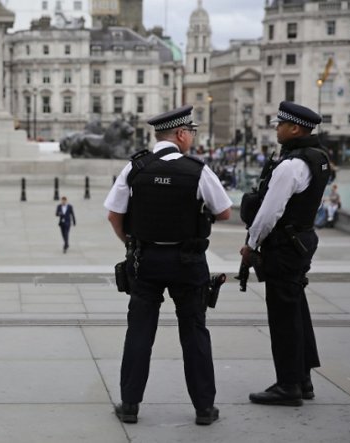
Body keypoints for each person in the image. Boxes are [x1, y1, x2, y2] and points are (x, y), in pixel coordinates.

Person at [104, 105, 232, 426]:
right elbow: (225, 212)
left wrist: (131, 245)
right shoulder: (197, 170)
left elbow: (114, 215)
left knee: (139, 332)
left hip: (145, 260)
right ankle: (204, 408)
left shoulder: (135, 168)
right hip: (188, 262)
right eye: (191, 133)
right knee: (194, 332)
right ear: (181, 134)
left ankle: (130, 405)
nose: (191, 138)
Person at [239, 101, 331, 407]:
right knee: (297, 310)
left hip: (283, 246)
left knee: (283, 316)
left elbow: (269, 212)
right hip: (302, 241)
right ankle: (302, 379)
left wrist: (251, 244)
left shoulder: (291, 165)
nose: (276, 128)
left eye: (280, 124)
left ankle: (288, 385)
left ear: (294, 128)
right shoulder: (318, 159)